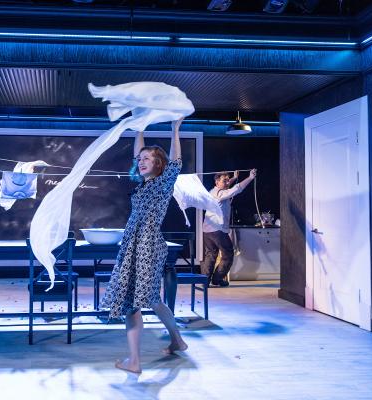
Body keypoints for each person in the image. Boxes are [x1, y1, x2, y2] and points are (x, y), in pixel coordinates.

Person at [100, 118, 188, 375]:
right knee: (150, 300)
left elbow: (176, 162)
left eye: (148, 158)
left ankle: (135, 361)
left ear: (159, 164)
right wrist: (139, 128)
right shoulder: (143, 185)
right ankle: (177, 340)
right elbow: (136, 154)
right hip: (134, 244)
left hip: (147, 245)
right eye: (140, 159)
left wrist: (174, 130)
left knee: (134, 302)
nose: (141, 161)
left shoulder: (163, 183)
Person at [201, 169, 257, 286]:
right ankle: (217, 279)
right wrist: (250, 178)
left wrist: (234, 178)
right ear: (217, 182)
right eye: (224, 181)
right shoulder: (220, 194)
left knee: (211, 255)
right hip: (217, 230)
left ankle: (205, 281)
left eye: (228, 180)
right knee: (228, 254)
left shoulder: (213, 191)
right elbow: (237, 189)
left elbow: (227, 186)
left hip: (207, 230)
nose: (227, 182)